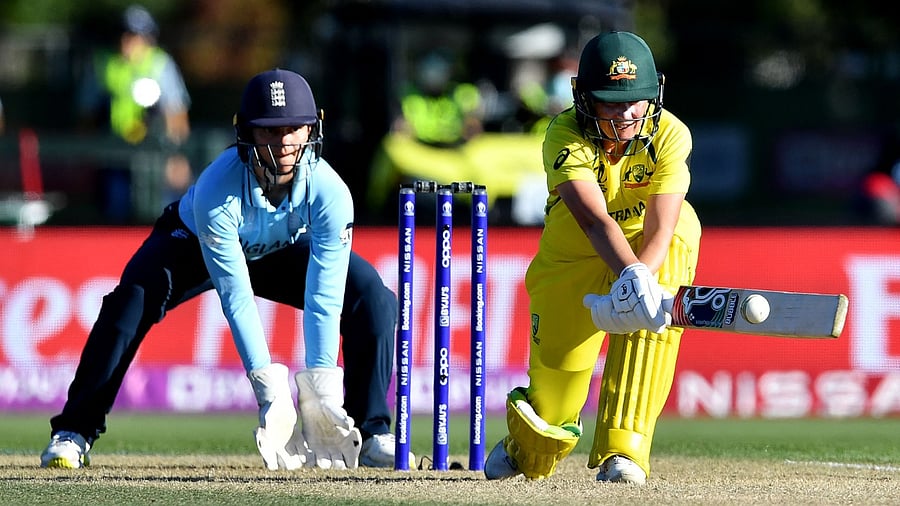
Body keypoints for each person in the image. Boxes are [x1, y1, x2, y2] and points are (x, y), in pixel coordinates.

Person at [40, 68, 407, 470]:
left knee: (371, 295)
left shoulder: (332, 192)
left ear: (311, 130)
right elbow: (236, 296)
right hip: (193, 244)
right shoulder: (218, 189)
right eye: (268, 131)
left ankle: (370, 432)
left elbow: (324, 295)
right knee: (129, 302)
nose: (283, 143)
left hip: (282, 249)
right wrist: (269, 389)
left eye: (292, 129)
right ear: (246, 134)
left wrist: (322, 392)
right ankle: (74, 431)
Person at [483, 31, 701, 485]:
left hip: (647, 242)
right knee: (551, 412)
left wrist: (645, 279)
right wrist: (633, 275)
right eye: (610, 102)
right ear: (583, 97)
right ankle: (527, 448)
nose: (624, 114)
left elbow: (664, 222)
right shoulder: (563, 133)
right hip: (574, 254)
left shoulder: (672, 134)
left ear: (654, 95)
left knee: (681, 238)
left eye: (635, 102)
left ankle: (625, 450)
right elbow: (593, 219)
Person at [76, 4, 193, 221]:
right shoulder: (104, 63)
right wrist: (87, 155)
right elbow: (88, 115)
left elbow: (176, 113)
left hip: (153, 155)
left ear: (148, 38)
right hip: (113, 154)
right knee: (115, 215)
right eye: (125, 34)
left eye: (135, 35)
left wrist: (177, 156)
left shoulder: (160, 64)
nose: (128, 41)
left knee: (158, 217)